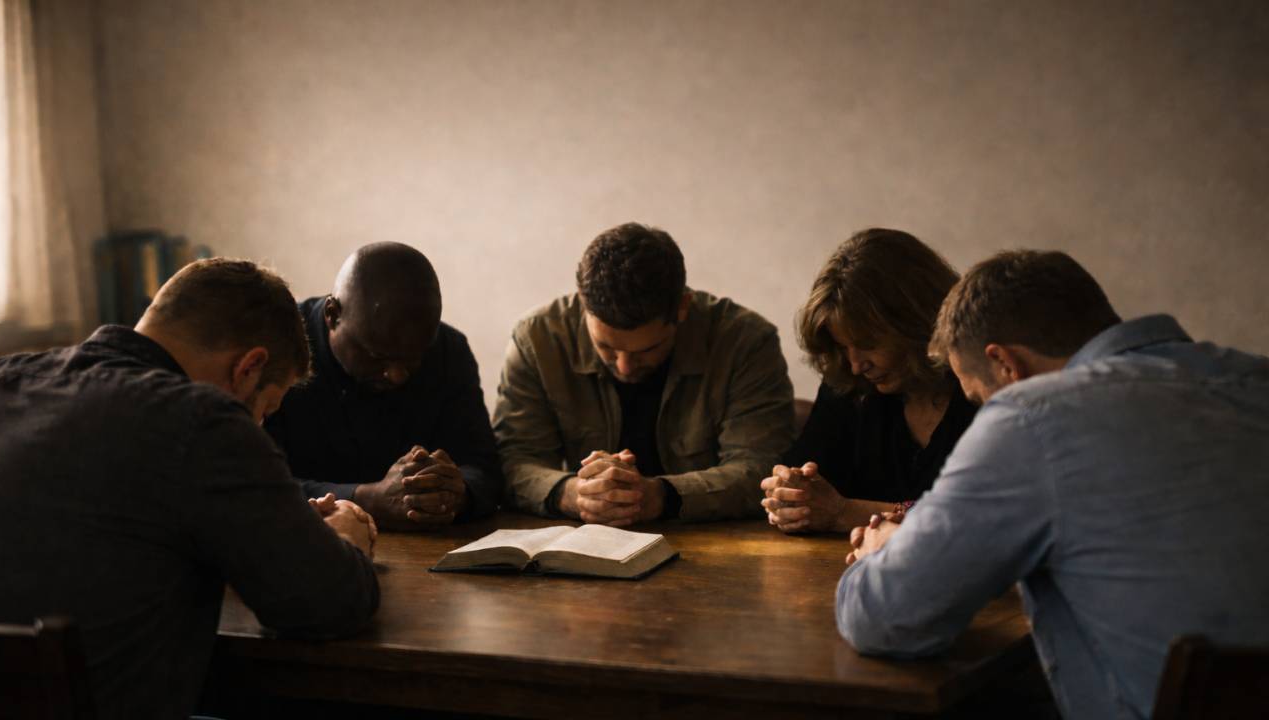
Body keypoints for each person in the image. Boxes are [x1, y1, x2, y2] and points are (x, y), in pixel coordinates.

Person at [837, 250, 1269, 720]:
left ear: (1005, 365)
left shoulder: (1034, 416)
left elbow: (885, 618)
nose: (984, 414)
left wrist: (885, 552)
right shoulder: (1252, 377)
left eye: (978, 400)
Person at [0, 259, 380, 719]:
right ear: (248, 369)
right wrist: (344, 540)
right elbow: (327, 604)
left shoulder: (0, 380)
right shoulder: (202, 420)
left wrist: (279, 532)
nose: (260, 426)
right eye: (266, 410)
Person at [494, 222, 794, 525]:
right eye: (606, 347)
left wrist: (661, 496)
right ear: (584, 307)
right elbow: (514, 461)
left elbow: (759, 468)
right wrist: (575, 494)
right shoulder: (537, 340)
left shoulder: (746, 342)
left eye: (646, 350)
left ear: (682, 308)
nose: (624, 366)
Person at [264, 242, 502, 530]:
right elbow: (257, 485)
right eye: (377, 357)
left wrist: (455, 491)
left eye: (414, 360)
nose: (397, 375)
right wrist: (366, 499)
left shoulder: (449, 351)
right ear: (332, 315)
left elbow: (486, 469)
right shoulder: (278, 346)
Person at [761, 229, 977, 533]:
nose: (855, 364)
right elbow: (809, 480)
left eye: (868, 343)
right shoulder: (847, 383)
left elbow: (983, 518)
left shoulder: (985, 385)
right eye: (841, 347)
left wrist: (845, 513)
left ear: (919, 324)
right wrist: (790, 497)